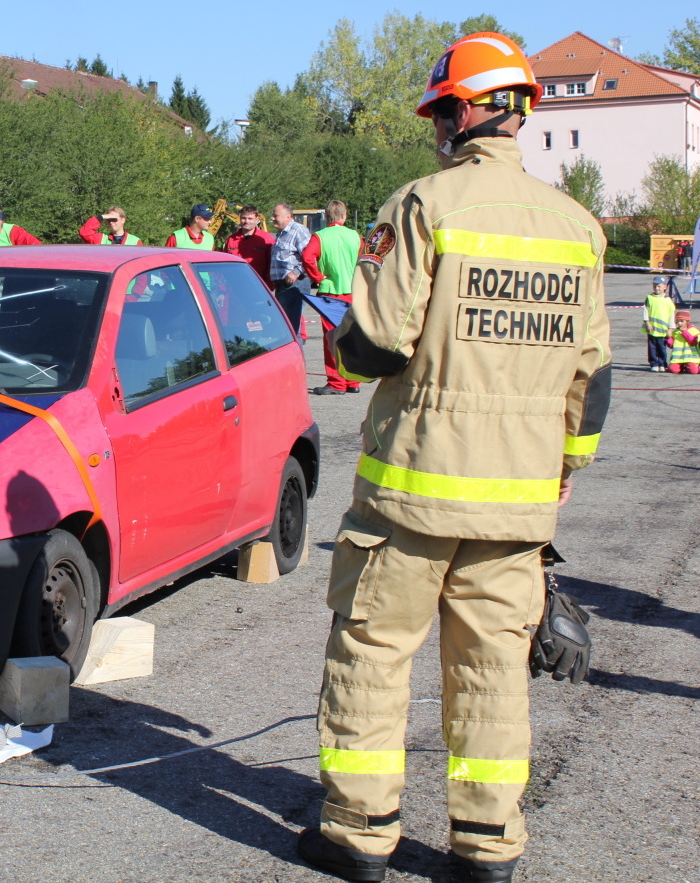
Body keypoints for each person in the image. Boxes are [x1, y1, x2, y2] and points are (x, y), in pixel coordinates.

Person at [297, 32, 612, 883]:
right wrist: (562, 470)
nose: (437, 124)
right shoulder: (577, 227)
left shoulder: (424, 204)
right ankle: (484, 843)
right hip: (516, 505)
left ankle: (360, 833)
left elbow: (373, 346)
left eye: (442, 109)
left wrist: (338, 317)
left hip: (412, 495)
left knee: (371, 654)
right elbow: (595, 377)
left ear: (470, 110)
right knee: (490, 676)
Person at [302, 200, 363, 394]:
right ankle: (353, 381)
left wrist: (318, 277)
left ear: (327, 216)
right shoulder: (355, 236)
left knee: (332, 338)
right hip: (353, 291)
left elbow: (307, 257)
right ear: (344, 216)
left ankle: (336, 383)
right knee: (352, 336)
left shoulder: (320, 236)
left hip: (331, 291)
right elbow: (365, 258)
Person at [270, 203, 311, 338]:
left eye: (276, 215)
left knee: (292, 330)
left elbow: (310, 256)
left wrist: (296, 272)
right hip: (283, 285)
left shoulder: (298, 231)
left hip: (295, 285)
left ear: (288, 216)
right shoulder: (282, 234)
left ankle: (296, 358)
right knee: (285, 328)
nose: (272, 218)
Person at [224, 205, 274, 277]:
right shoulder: (231, 240)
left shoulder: (266, 238)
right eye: (244, 218)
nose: (246, 221)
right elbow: (225, 264)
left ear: (256, 220)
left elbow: (272, 264)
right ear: (240, 218)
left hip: (259, 283)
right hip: (235, 282)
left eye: (250, 218)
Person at [642, 275, 676, 372]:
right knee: (652, 348)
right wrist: (647, 323)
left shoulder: (668, 301)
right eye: (655, 286)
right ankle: (654, 363)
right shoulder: (649, 298)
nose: (657, 288)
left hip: (663, 330)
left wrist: (671, 328)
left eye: (659, 286)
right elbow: (646, 311)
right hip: (652, 329)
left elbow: (671, 315)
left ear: (665, 287)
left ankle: (662, 363)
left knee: (662, 348)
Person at [666, 309, 700, 374]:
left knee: (693, 371)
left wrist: (684, 332)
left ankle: (696, 367)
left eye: (682, 321)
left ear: (687, 321)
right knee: (673, 370)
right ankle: (682, 367)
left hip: (691, 357)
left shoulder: (693, 330)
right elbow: (671, 345)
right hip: (678, 358)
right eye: (677, 322)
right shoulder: (675, 332)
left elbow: (693, 342)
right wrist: (669, 338)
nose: (679, 323)